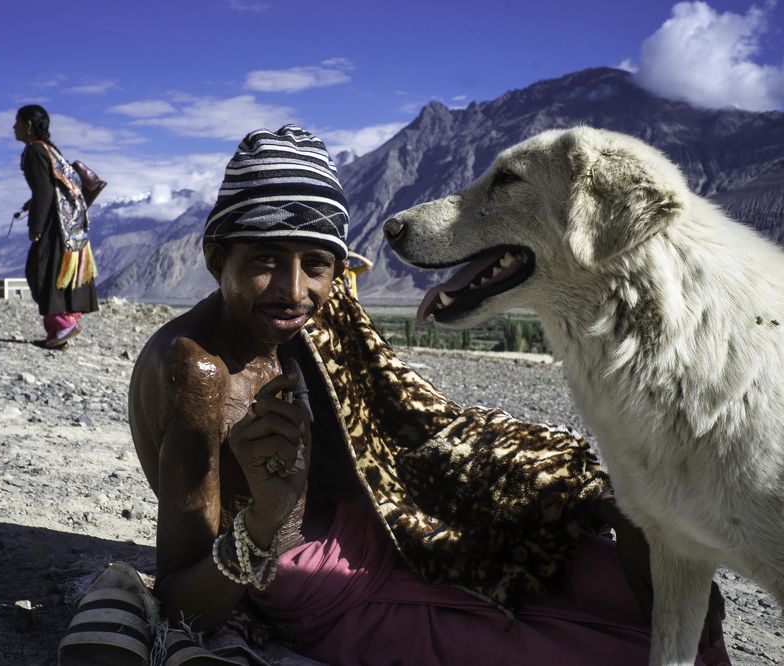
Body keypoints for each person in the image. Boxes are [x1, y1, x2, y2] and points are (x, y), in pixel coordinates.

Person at [121, 125, 730, 665]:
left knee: (669, 582)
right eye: (264, 260)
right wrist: (264, 519)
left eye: (317, 263)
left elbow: (409, 419)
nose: (293, 288)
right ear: (213, 256)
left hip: (404, 529)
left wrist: (563, 474)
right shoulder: (199, 374)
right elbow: (180, 602)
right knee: (630, 647)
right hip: (336, 595)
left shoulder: (317, 311)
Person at [14, 104, 98, 350]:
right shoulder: (50, 151)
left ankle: (64, 325)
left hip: (55, 225)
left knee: (42, 273)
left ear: (28, 125)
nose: (13, 127)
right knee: (57, 275)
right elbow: (50, 189)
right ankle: (57, 333)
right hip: (70, 225)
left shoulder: (35, 152)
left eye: (17, 122)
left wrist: (36, 226)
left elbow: (43, 191)